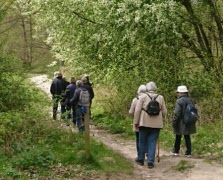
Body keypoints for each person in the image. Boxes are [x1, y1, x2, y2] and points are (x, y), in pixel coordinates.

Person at [134, 81, 167, 168]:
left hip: (143, 122)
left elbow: (137, 111)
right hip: (156, 124)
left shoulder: (143, 97)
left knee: (142, 141)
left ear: (147, 88)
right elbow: (164, 112)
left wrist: (136, 122)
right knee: (152, 142)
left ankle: (141, 159)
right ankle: (150, 162)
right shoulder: (161, 97)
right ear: (155, 88)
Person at [170, 85, 196, 157]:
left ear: (181, 93)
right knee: (187, 136)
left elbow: (177, 113)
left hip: (181, 121)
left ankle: (176, 151)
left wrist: (174, 122)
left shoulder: (179, 101)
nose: (178, 94)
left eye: (178, 92)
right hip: (189, 120)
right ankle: (189, 152)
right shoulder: (190, 100)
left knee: (178, 135)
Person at [129, 85, 147, 160]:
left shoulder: (135, 99)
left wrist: (133, 117)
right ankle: (148, 153)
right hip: (147, 122)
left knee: (138, 139)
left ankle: (140, 155)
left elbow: (131, 112)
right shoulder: (149, 98)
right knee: (147, 138)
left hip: (138, 122)